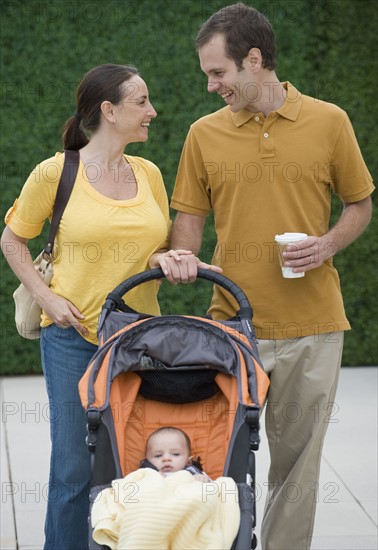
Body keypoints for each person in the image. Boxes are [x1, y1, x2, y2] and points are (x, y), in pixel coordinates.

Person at [166, 4, 375, 549]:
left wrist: (327, 242)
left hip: (314, 325)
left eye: (219, 73)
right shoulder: (202, 135)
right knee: (219, 462)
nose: (212, 85)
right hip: (233, 325)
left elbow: (359, 205)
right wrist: (183, 261)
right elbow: (187, 223)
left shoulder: (330, 121)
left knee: (297, 471)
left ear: (254, 60)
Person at [0, 63, 201, 550]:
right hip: (72, 338)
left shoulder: (147, 173)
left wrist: (167, 258)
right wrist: (48, 298)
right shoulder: (56, 172)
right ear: (108, 111)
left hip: (138, 340)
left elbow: (151, 247)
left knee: (130, 460)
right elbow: (12, 241)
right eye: (142, 103)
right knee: (73, 466)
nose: (153, 112)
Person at [141, 426, 211, 482]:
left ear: (189, 461)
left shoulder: (194, 474)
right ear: (147, 460)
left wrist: (201, 480)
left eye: (175, 454)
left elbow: (212, 488)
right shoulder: (144, 474)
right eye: (158, 455)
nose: (166, 458)